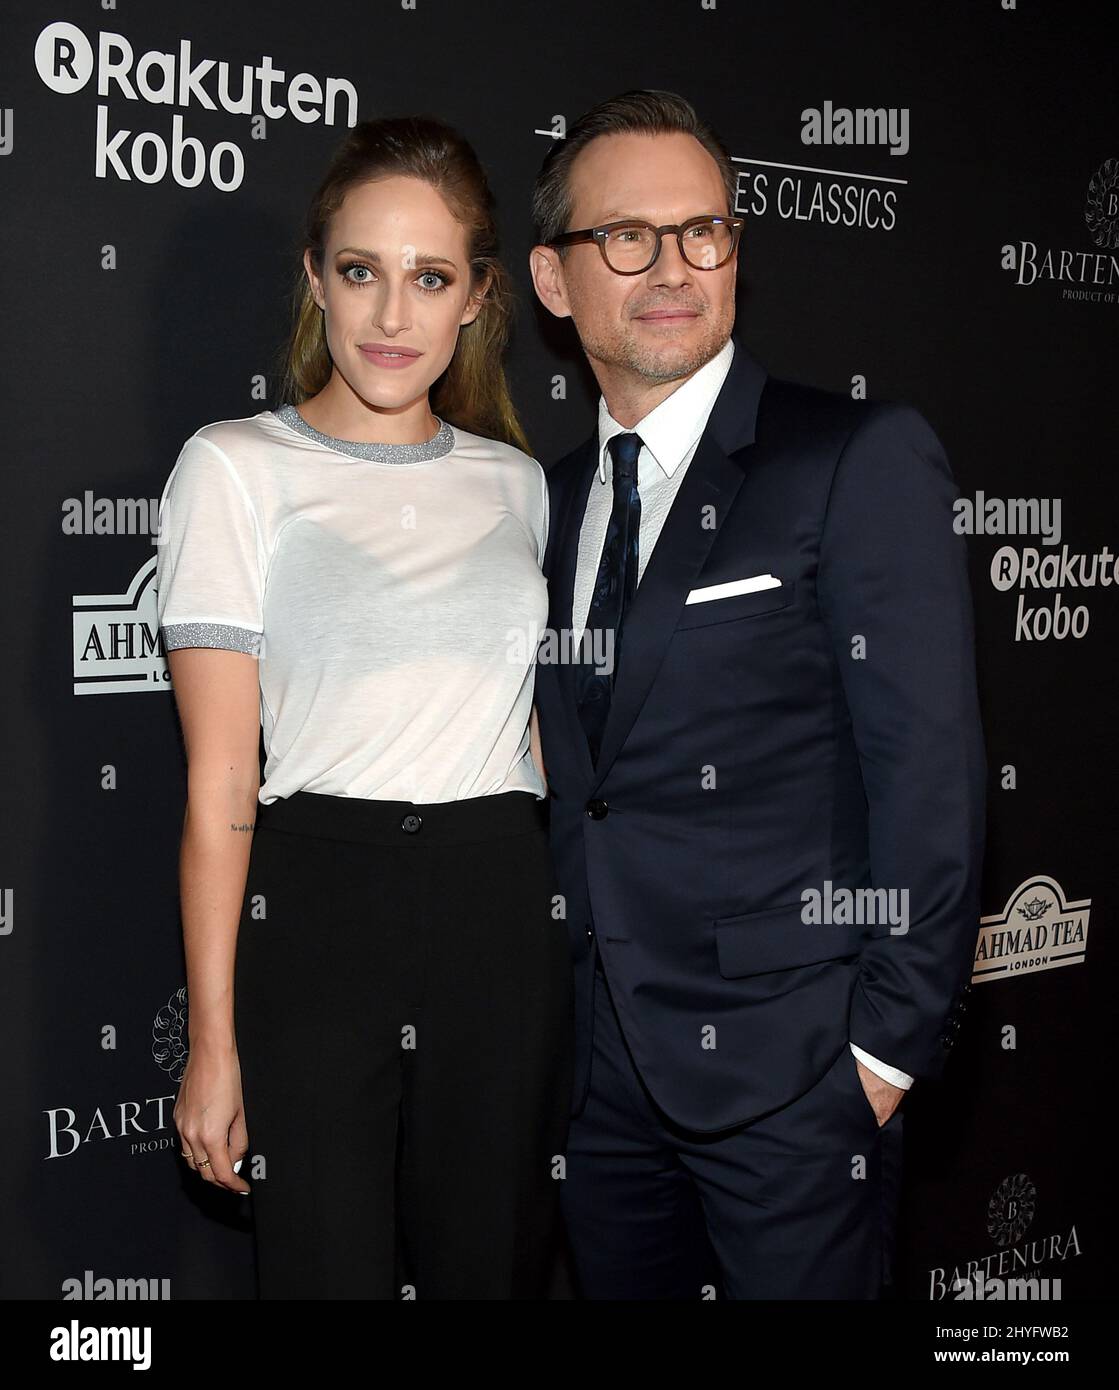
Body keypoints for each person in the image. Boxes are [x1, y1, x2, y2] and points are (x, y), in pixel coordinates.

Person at [527, 89, 986, 1299]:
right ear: (554, 280)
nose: (672, 266)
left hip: (794, 1079)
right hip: (595, 1082)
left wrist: (882, 1051)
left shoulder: (850, 456)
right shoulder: (548, 499)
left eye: (704, 232)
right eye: (627, 237)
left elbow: (930, 773)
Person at [155, 115, 573, 1299]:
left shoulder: (520, 482)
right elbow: (221, 783)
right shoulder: (235, 468)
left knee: (490, 1269)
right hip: (319, 909)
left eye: (429, 277)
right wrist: (213, 1041)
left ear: (478, 298)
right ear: (315, 279)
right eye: (362, 272)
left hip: (498, 900)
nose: (393, 317)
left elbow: (533, 726)